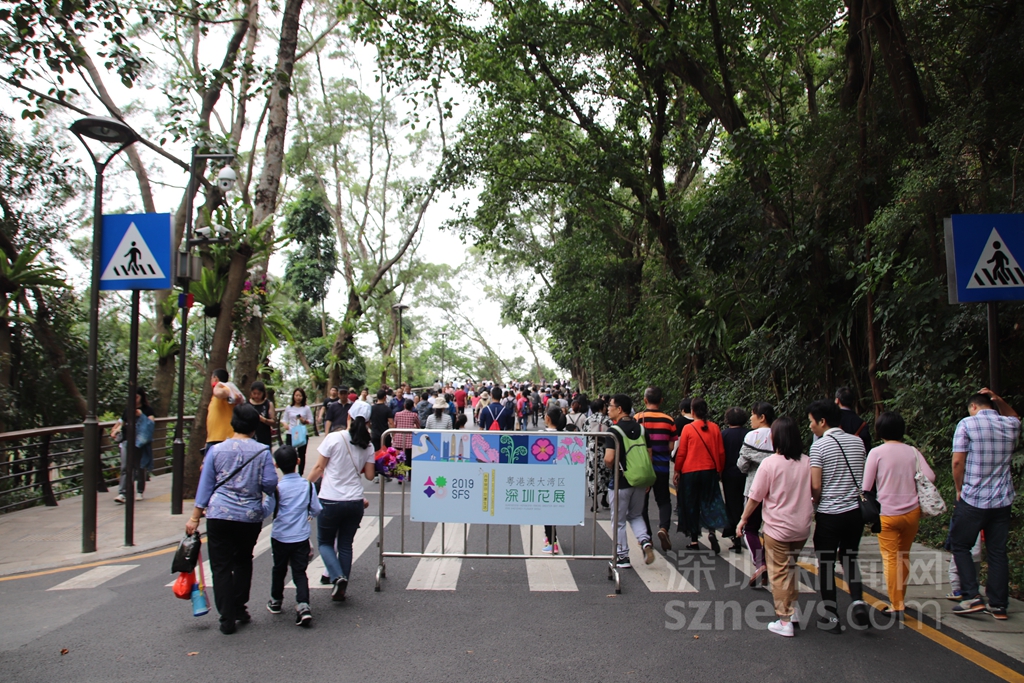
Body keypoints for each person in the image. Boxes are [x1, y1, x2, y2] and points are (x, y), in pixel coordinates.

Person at [186, 404, 277, 634]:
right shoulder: (262, 451)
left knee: (221, 566)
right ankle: (239, 607)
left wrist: (195, 518)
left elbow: (205, 485)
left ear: (233, 423)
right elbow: (269, 484)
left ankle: (226, 618)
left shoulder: (216, 451)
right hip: (249, 517)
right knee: (243, 561)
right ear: (254, 427)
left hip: (219, 515)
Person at [736, 416, 813, 638]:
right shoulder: (807, 462)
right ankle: (792, 610)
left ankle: (784, 619)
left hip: (778, 528)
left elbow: (755, 496)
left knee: (778, 572)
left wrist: (743, 519)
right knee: (791, 567)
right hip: (802, 527)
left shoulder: (770, 464)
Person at [948, 389, 1020, 620]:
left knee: (960, 545)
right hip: (1002, 499)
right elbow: (1015, 416)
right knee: (997, 551)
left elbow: (958, 461)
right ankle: (998, 605)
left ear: (973, 407)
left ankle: (972, 596)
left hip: (974, 498)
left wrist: (959, 489)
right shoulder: (1010, 424)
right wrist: (998, 398)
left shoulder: (967, 424)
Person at [862, 411, 936, 617]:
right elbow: (930, 476)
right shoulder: (912, 452)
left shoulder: (876, 453)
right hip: (911, 513)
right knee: (903, 556)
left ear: (880, 430)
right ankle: (900, 598)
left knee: (891, 558)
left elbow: (866, 486)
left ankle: (897, 604)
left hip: (887, 513)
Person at [808, 399, 869, 633]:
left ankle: (831, 616)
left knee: (826, 564)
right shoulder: (857, 442)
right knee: (849, 557)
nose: (810, 426)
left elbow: (816, 485)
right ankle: (858, 601)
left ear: (822, 421)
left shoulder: (819, 447)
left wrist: (814, 502)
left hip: (829, 513)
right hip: (855, 513)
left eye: (812, 422)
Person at [305, 410, 375, 602]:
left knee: (325, 543)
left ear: (348, 417)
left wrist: (304, 487)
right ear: (368, 421)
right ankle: (341, 589)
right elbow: (370, 476)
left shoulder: (334, 437)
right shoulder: (368, 444)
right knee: (345, 544)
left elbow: (319, 467)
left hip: (330, 499)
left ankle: (337, 577)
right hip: (355, 501)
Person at [262, 445, 322, 626]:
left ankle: (276, 600)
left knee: (279, 569)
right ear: (298, 461)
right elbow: (316, 509)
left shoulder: (277, 488)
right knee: (299, 571)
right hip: (300, 536)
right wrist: (308, 515)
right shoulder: (308, 486)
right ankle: (303, 605)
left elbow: (267, 510)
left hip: (280, 536)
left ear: (276, 465)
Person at [604, 393, 656, 568]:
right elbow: (649, 455)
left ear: (619, 409)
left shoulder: (613, 431)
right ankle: (645, 541)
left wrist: (612, 468)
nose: (608, 409)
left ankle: (623, 556)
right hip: (640, 480)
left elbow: (609, 458)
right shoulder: (642, 430)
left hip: (621, 481)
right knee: (635, 515)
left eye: (610, 406)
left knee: (618, 520)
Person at [673, 397, 727, 553]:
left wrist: (677, 470)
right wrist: (719, 469)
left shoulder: (688, 429)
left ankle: (694, 540)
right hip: (709, 471)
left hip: (690, 472)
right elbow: (721, 452)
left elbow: (681, 453)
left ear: (692, 411)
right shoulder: (715, 428)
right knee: (710, 501)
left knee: (691, 504)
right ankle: (711, 531)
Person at [635, 386, 678, 552]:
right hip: (662, 467)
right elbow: (671, 447)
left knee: (642, 503)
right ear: (661, 400)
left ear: (645, 400)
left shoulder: (637, 418)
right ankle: (664, 528)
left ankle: (647, 537)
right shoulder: (669, 420)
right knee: (664, 500)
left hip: (642, 467)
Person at [738, 402, 775, 585]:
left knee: (750, 528)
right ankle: (771, 565)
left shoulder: (751, 436)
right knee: (771, 529)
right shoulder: (780, 434)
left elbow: (742, 465)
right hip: (776, 490)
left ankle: (760, 564)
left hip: (754, 488)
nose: (751, 418)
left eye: (753, 414)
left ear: (762, 417)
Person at [111, 388, 154, 503]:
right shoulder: (128, 409)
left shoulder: (147, 410)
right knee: (125, 467)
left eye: (137, 397)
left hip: (140, 443)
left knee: (140, 467)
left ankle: (139, 491)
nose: (134, 399)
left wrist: (141, 415)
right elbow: (121, 422)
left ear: (141, 397)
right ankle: (122, 493)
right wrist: (115, 430)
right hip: (127, 441)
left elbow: (151, 424)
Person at [720, 407, 749, 552]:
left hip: (729, 474)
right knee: (746, 503)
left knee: (732, 504)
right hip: (746, 474)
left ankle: (735, 536)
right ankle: (747, 532)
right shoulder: (749, 434)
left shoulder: (724, 434)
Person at [541, 406, 566, 553]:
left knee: (546, 510)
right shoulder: (566, 436)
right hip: (561, 478)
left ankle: (552, 542)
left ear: (548, 418)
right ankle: (549, 537)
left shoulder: (541, 435)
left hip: (544, 478)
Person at [207, 368, 245, 452]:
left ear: (215, 378)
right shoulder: (216, 395)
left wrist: (216, 385)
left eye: (211, 378)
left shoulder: (226, 388)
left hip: (223, 438)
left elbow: (220, 393)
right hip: (214, 438)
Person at [585, 398, 612, 511]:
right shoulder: (608, 420)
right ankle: (604, 499)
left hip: (592, 449)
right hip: (605, 449)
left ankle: (594, 501)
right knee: (606, 474)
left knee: (592, 475)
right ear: (602, 408)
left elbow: (584, 434)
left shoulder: (588, 420)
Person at [281, 388, 314, 475]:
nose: (298, 397)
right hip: (291, 433)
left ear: (303, 397)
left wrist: (304, 421)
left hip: (302, 433)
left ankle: (300, 473)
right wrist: (285, 424)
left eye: (300, 396)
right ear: (293, 396)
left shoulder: (306, 408)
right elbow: (284, 419)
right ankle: (290, 472)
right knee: (289, 453)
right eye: (296, 395)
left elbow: (311, 420)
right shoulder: (289, 408)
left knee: (301, 454)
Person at [836, 387, 872, 456]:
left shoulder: (832, 420)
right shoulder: (862, 423)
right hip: (855, 459)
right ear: (853, 402)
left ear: (837, 400)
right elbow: (867, 449)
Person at [249, 381, 275, 447]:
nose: (256, 396)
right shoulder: (247, 404)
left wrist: (263, 419)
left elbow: (273, 421)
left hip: (264, 435)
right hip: (251, 436)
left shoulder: (268, 404)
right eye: (254, 393)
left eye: (259, 394)